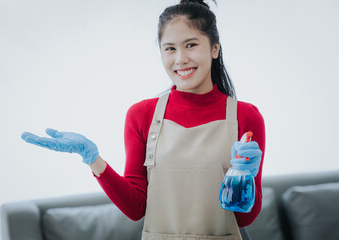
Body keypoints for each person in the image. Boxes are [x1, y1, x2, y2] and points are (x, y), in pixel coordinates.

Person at [21, 0, 265, 239]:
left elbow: (244, 219)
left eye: (191, 45)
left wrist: (247, 177)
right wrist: (92, 159)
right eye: (170, 48)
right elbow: (136, 208)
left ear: (214, 48)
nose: (180, 59)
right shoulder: (142, 115)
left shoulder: (245, 117)